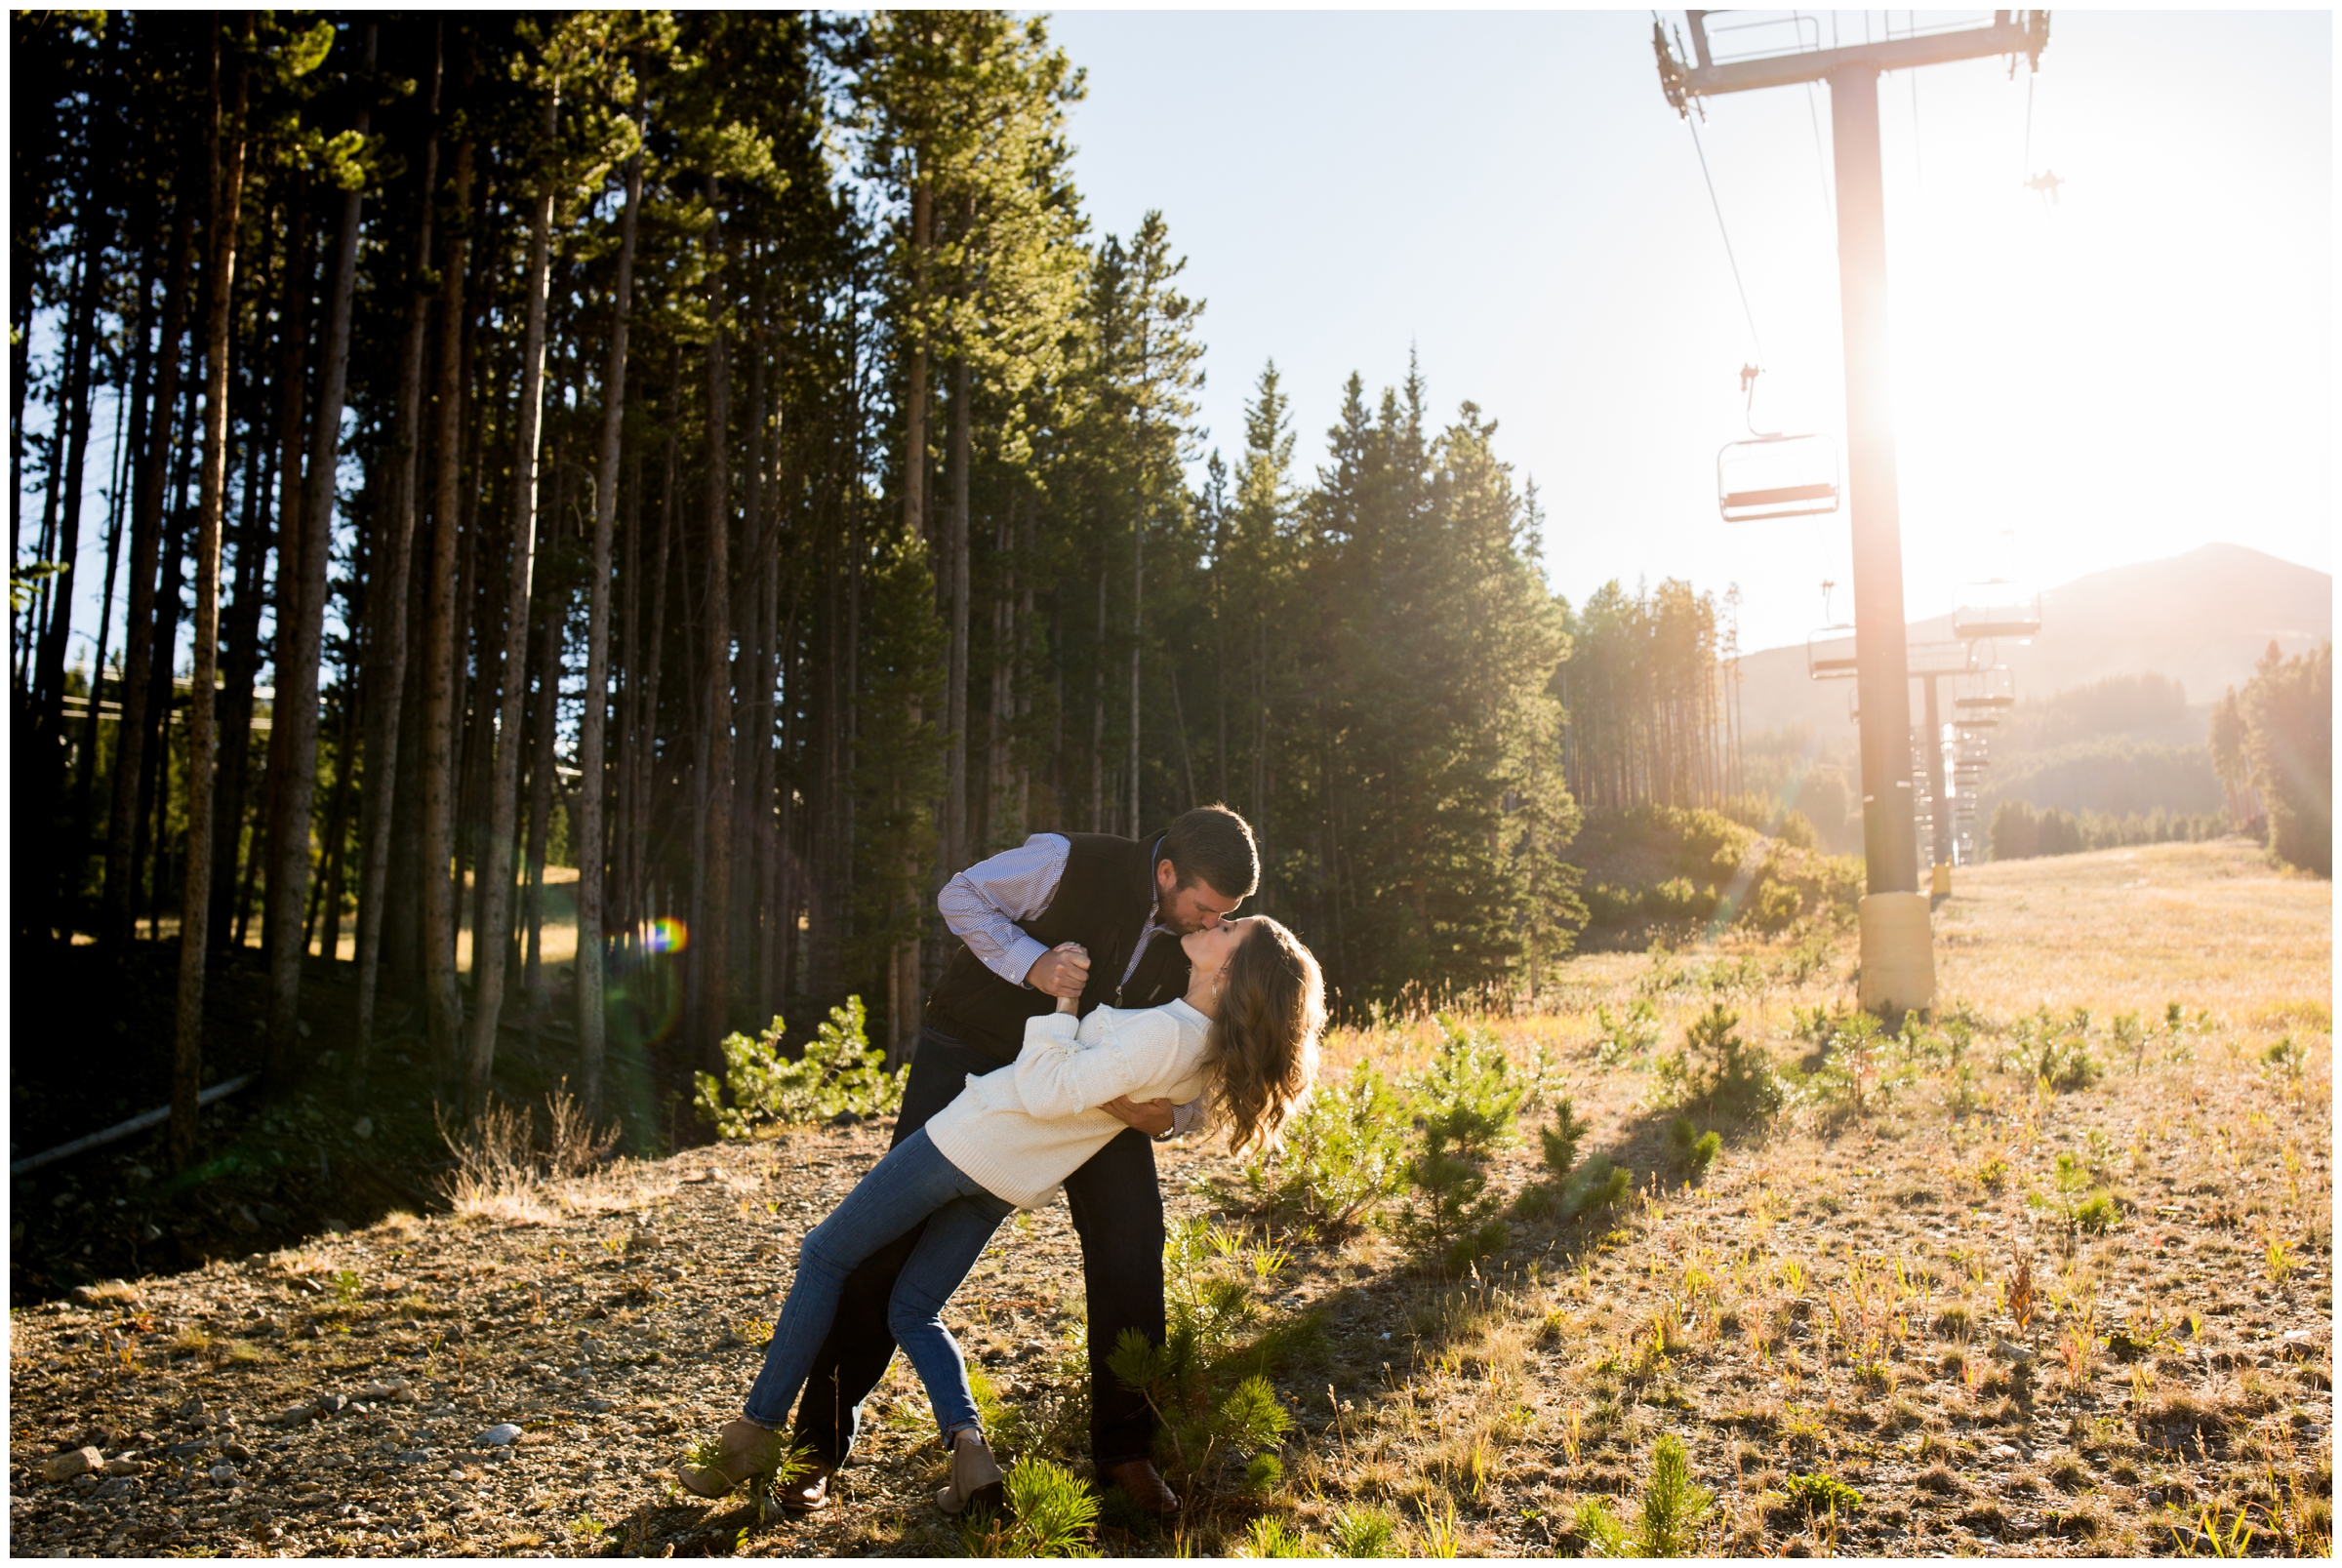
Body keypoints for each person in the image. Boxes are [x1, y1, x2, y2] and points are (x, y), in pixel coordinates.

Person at [676, 914, 1323, 1518]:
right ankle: (970, 1452)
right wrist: (1174, 1115)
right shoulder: (1203, 1049)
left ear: (1231, 972)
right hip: (1007, 1178)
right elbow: (1158, 1098)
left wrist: (1064, 1007)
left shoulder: (1165, 1031)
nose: (1215, 923)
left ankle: (756, 1428)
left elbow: (1045, 1089)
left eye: (1230, 928)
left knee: (826, 1253)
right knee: (912, 1308)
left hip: (970, 1138)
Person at [773, 805, 1263, 1517]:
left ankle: (1127, 1450)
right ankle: (816, 1447)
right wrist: (1030, 962)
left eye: (1223, 914)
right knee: (890, 1240)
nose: (1208, 923)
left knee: (1132, 1239)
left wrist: (1177, 1115)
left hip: (1091, 1089)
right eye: (1203, 906)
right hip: (970, 1048)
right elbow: (959, 894)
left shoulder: (1202, 939)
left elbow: (1217, 1049)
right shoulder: (1066, 860)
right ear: (1166, 872)